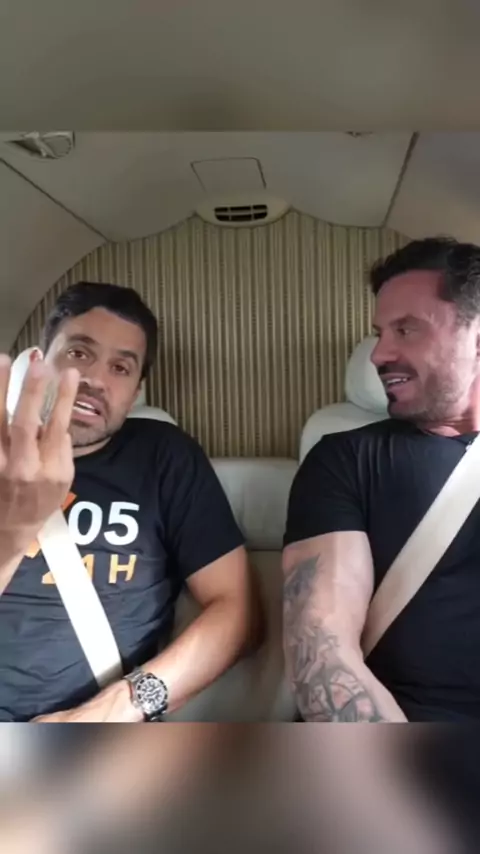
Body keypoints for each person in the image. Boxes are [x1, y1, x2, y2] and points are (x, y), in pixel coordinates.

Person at [0, 281, 260, 722]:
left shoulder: (162, 457)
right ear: (39, 362)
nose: (95, 380)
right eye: (78, 353)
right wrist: (12, 532)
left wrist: (115, 709)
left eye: (121, 368)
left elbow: (240, 613)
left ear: (136, 391)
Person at [283, 236, 480, 722]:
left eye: (406, 330)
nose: (378, 354)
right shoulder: (345, 460)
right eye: (380, 332)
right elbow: (322, 651)